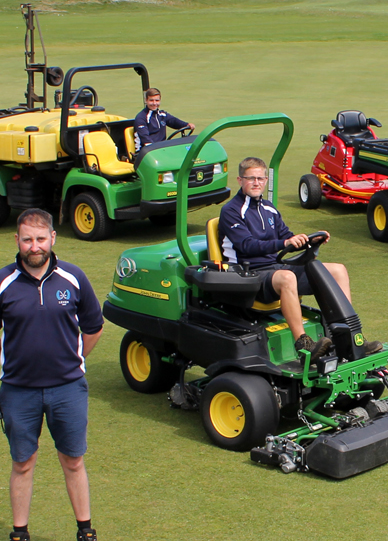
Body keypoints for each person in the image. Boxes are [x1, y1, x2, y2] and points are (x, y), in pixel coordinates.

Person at [0, 209, 108, 541]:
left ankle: (86, 537)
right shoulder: (0, 283)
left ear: (53, 238)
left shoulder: (74, 278)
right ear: (17, 241)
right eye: (27, 239)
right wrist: (11, 362)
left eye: (41, 238)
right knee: (23, 463)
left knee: (74, 461)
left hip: (68, 388)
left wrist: (73, 360)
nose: (35, 246)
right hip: (19, 391)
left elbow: (94, 326)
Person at [218, 157, 354, 361]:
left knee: (337, 270)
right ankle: (304, 344)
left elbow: (286, 235)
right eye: (251, 178)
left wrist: (308, 240)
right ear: (240, 180)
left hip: (275, 269)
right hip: (248, 275)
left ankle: (349, 336)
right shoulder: (231, 211)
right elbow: (247, 245)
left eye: (260, 178)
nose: (256, 183)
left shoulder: (269, 209)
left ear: (266, 180)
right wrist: (284, 243)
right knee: (287, 277)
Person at [130, 87, 196, 153]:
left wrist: (187, 125)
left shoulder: (162, 114)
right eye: (151, 100)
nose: (154, 103)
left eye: (157, 100)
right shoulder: (141, 118)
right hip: (145, 152)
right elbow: (145, 139)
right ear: (146, 100)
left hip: (161, 149)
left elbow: (173, 121)